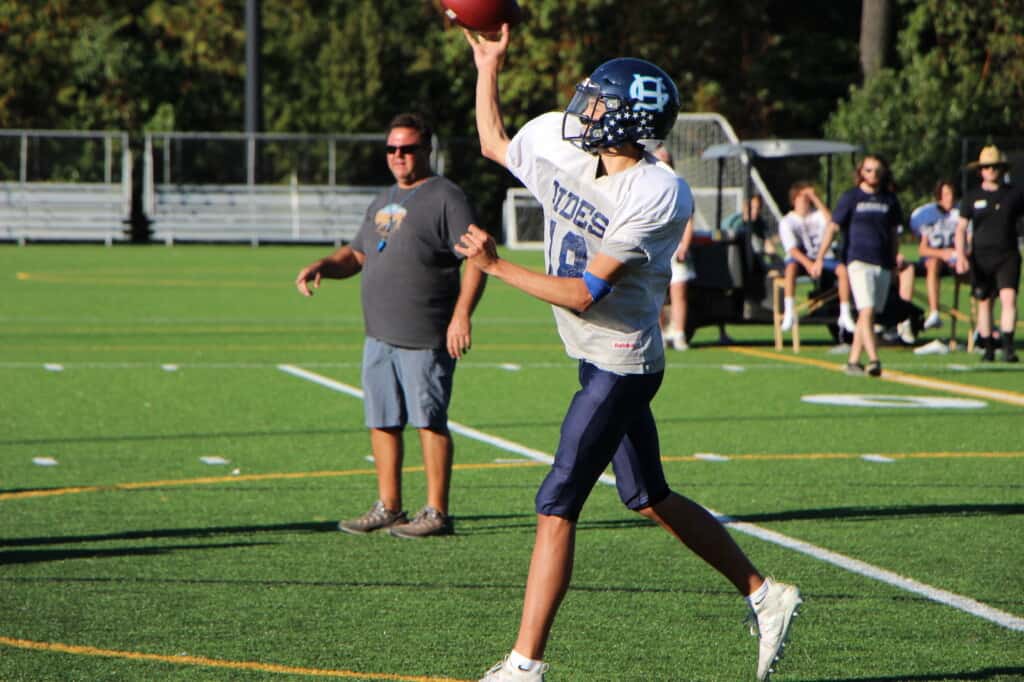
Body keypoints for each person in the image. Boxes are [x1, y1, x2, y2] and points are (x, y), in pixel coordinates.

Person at [460, 25, 801, 682]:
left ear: (624, 122)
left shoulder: (656, 192)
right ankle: (765, 594)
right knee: (647, 494)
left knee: (557, 499)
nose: (579, 108)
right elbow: (494, 142)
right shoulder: (568, 148)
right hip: (593, 358)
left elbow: (586, 293)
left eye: (594, 102)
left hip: (620, 362)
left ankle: (524, 667)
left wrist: (496, 269)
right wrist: (488, 66)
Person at [294, 112, 487, 538]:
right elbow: (359, 254)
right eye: (391, 149)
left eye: (408, 148)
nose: (398, 156)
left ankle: (436, 512)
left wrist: (461, 315)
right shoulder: (382, 199)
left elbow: (477, 258)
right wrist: (324, 265)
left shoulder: (446, 197)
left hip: (425, 334)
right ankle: (389, 507)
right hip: (379, 334)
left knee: (428, 420)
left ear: (426, 150)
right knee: (382, 419)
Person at [824, 154, 903, 377]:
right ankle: (874, 359)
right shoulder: (851, 197)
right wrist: (820, 256)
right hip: (858, 260)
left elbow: (893, 234)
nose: (873, 175)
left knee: (868, 315)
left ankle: (853, 361)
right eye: (868, 170)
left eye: (877, 170)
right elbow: (833, 227)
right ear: (861, 172)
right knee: (866, 310)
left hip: (883, 262)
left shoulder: (889, 200)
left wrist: (894, 261)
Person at [955, 145, 1022, 363]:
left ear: (1002, 169)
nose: (990, 171)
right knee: (984, 302)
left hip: (1008, 254)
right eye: (986, 167)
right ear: (980, 171)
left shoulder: (1014, 194)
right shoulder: (972, 197)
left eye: (994, 167)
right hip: (981, 257)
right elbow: (961, 228)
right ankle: (988, 347)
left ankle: (1008, 347)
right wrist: (961, 255)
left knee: (1009, 299)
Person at [777, 181, 856, 334]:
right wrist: (808, 264)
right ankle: (789, 312)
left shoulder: (817, 215)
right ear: (794, 200)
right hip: (801, 259)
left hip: (822, 257)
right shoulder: (787, 221)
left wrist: (815, 198)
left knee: (843, 271)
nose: (806, 203)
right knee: (790, 269)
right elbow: (792, 250)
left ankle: (845, 314)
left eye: (808, 200)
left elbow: (832, 222)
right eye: (802, 199)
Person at [908, 180, 961, 331]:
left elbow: (968, 241)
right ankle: (933, 312)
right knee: (932, 263)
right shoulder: (929, 216)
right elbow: (923, 249)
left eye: (951, 194)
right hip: (935, 261)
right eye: (945, 194)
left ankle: (982, 326)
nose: (949, 198)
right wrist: (943, 253)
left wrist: (958, 254)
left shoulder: (960, 214)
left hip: (957, 261)